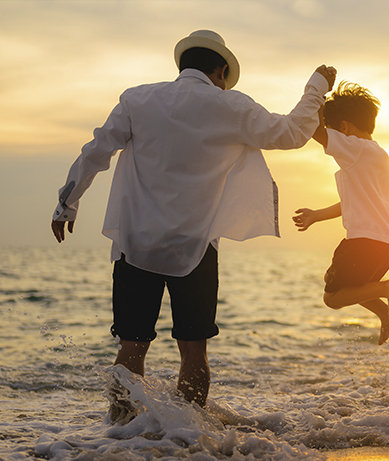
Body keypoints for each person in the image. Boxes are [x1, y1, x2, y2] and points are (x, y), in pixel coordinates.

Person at [50, 29, 336, 412]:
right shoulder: (231, 106)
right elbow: (291, 133)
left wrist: (67, 204)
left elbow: (96, 151)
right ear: (219, 71)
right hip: (196, 248)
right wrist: (316, 86)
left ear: (183, 64)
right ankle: (185, 438)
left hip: (137, 244)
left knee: (131, 349)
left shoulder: (137, 99)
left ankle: (120, 436)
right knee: (194, 353)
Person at [292, 82, 389, 345]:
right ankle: (386, 314)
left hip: (365, 240)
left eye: (334, 129)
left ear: (345, 128)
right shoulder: (377, 156)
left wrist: (316, 94)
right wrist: (316, 215)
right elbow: (351, 202)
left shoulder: (356, 148)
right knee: (349, 287)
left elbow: (315, 131)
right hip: (387, 242)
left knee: (333, 298)